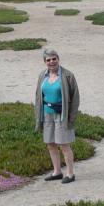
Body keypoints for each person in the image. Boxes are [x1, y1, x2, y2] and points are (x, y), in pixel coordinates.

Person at [34, 47, 79, 183]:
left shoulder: (68, 75)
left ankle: (70, 174)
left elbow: (75, 98)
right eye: (48, 60)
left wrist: (71, 118)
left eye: (54, 59)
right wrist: (38, 116)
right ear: (45, 62)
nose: (52, 62)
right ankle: (57, 172)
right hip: (47, 114)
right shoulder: (42, 75)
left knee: (64, 144)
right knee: (50, 143)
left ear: (58, 59)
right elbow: (38, 96)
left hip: (62, 115)